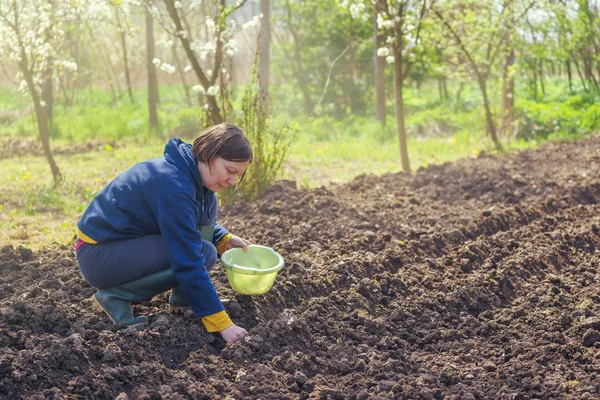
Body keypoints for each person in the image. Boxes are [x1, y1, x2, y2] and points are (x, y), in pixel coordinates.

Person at [75, 123, 252, 343]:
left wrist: (223, 238)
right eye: (230, 171)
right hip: (99, 254)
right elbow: (186, 258)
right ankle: (114, 296)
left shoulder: (197, 181)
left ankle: (184, 298)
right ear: (208, 154)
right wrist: (222, 324)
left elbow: (188, 223)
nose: (232, 181)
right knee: (192, 253)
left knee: (205, 250)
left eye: (238, 175)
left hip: (126, 246)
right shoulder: (172, 185)